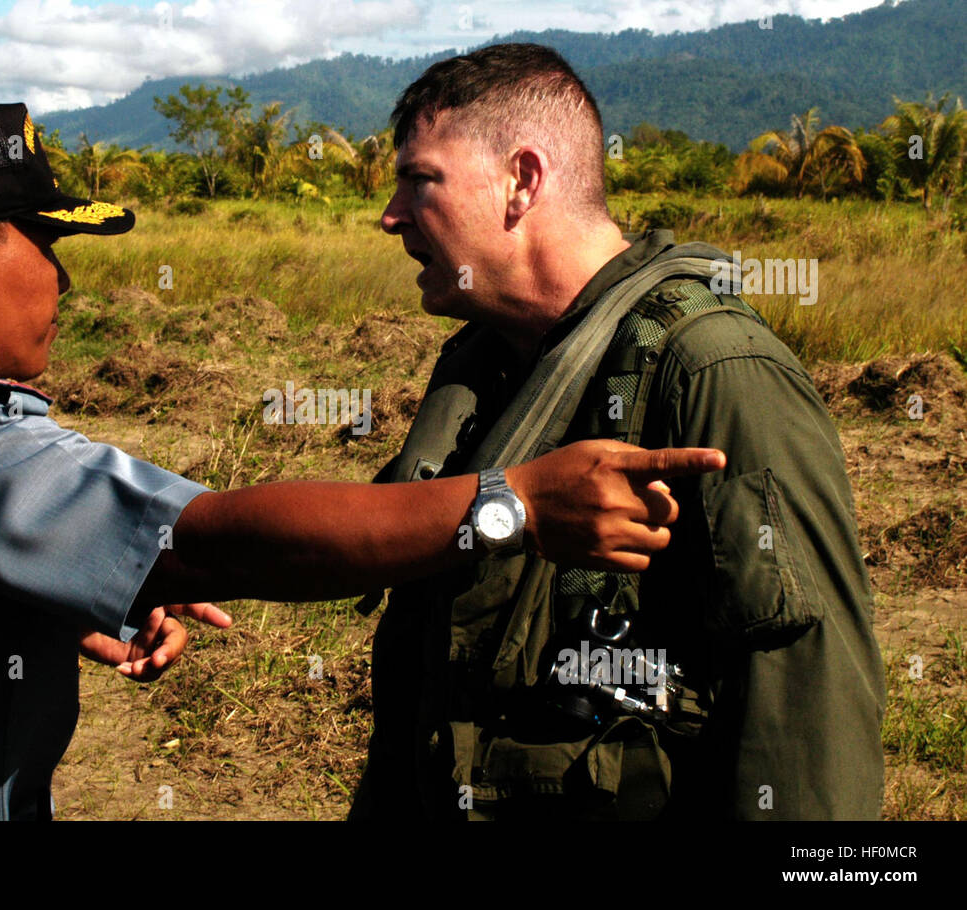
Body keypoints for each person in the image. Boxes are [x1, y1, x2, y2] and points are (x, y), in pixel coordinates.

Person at [0, 102, 725, 820]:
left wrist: (33, 600)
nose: (61, 279)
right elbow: (213, 542)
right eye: (46, 244)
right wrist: (509, 505)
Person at [350, 44, 885, 821]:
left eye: (421, 180)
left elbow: (805, 704)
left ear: (522, 182)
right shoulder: (485, 363)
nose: (390, 215)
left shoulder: (713, 369)